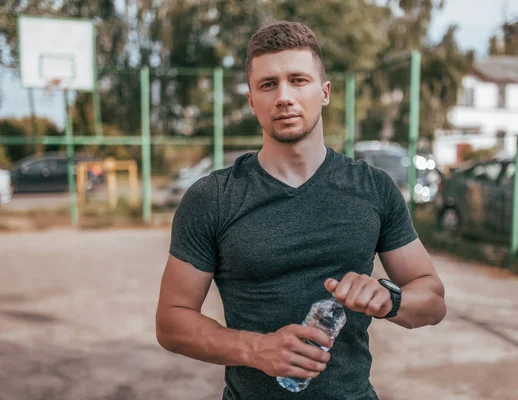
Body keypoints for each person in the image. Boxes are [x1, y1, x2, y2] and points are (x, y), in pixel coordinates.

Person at [156, 21, 446, 400]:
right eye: (268, 84)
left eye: (298, 80)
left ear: (324, 92)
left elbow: (433, 300)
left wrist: (391, 298)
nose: (284, 96)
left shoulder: (373, 188)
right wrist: (256, 349)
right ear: (251, 101)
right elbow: (171, 321)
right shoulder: (213, 197)